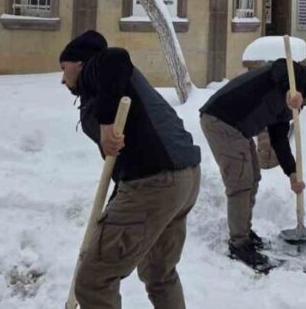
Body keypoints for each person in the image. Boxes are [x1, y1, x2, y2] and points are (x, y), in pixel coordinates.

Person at [59, 30, 202, 309]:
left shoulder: (97, 68)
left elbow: (115, 56)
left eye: (64, 68)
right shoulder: (110, 87)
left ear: (79, 63)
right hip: (184, 178)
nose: (63, 79)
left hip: (155, 182)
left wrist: (104, 122)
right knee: (159, 273)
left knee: (93, 279)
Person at [199, 59, 306, 271]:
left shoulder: (291, 108)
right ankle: (238, 244)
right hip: (221, 120)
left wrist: (292, 173)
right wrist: (290, 91)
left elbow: (279, 138)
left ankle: (244, 232)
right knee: (240, 182)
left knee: (253, 177)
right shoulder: (293, 72)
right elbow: (278, 67)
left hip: (239, 129)